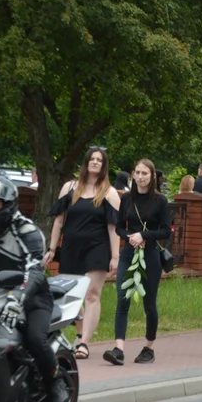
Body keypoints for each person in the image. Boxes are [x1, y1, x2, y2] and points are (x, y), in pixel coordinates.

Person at [0, 174, 70, 402]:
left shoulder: (27, 231)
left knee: (34, 338)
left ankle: (55, 382)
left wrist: (18, 298)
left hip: (34, 296)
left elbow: (34, 270)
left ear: (8, 205)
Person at [44, 146, 121, 360]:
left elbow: (113, 229)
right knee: (73, 296)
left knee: (92, 294)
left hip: (97, 248)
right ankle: (79, 335)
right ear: (86, 162)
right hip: (70, 248)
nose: (95, 162)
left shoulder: (109, 193)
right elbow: (59, 220)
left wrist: (115, 257)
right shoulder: (70, 188)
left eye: (100, 160)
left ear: (104, 165)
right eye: (92, 159)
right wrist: (51, 249)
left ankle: (85, 343)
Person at [104, 159, 172, 366]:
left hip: (150, 255)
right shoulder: (127, 199)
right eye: (138, 173)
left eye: (145, 173)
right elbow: (118, 228)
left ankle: (148, 348)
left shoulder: (160, 201)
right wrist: (131, 237)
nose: (141, 177)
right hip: (128, 254)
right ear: (133, 175)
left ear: (152, 176)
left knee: (148, 302)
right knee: (122, 299)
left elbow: (166, 230)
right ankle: (118, 349)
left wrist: (143, 235)